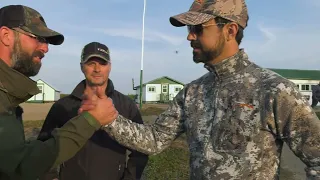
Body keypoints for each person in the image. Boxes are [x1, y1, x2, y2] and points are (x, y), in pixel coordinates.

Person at [79, 0, 320, 179]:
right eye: (188, 29)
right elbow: (155, 140)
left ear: (230, 31)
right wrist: (109, 118)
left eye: (199, 29)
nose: (189, 37)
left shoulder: (273, 90)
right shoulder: (192, 93)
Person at [0, 5, 118, 180]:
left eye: (102, 63)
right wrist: (90, 120)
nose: (46, 48)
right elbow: (20, 166)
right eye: (38, 38)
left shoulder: (8, 95)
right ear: (6, 36)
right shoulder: (61, 106)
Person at [37, 42, 149, 180]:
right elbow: (43, 147)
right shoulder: (63, 106)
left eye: (102, 63)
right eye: (91, 63)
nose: (97, 69)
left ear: (110, 66)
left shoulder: (127, 105)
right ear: (81, 67)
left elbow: (141, 150)